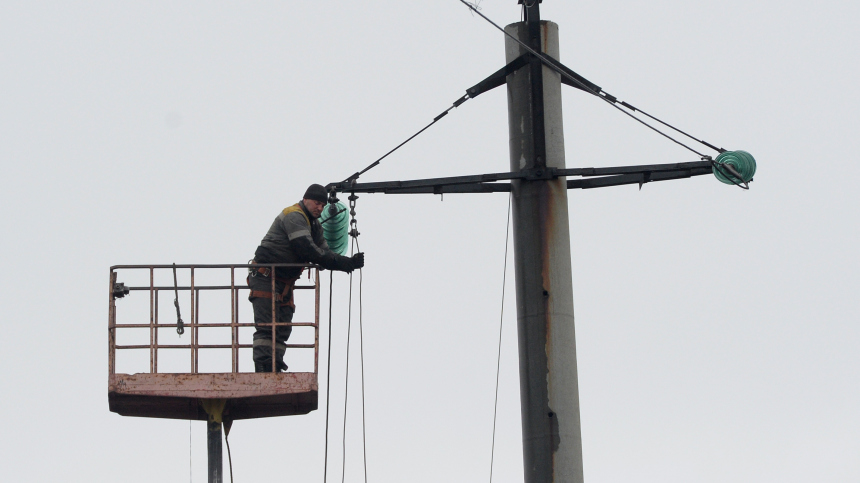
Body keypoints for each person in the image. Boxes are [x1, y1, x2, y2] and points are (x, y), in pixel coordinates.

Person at [249, 184, 364, 372]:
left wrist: (347, 262)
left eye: (322, 205)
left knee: (282, 327)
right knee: (267, 326)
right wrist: (344, 264)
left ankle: (274, 365)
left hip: (283, 283)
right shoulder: (293, 215)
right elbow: (306, 249)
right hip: (265, 276)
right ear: (305, 200)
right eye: (317, 203)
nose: (320, 208)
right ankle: (263, 368)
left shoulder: (315, 226)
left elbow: (324, 252)